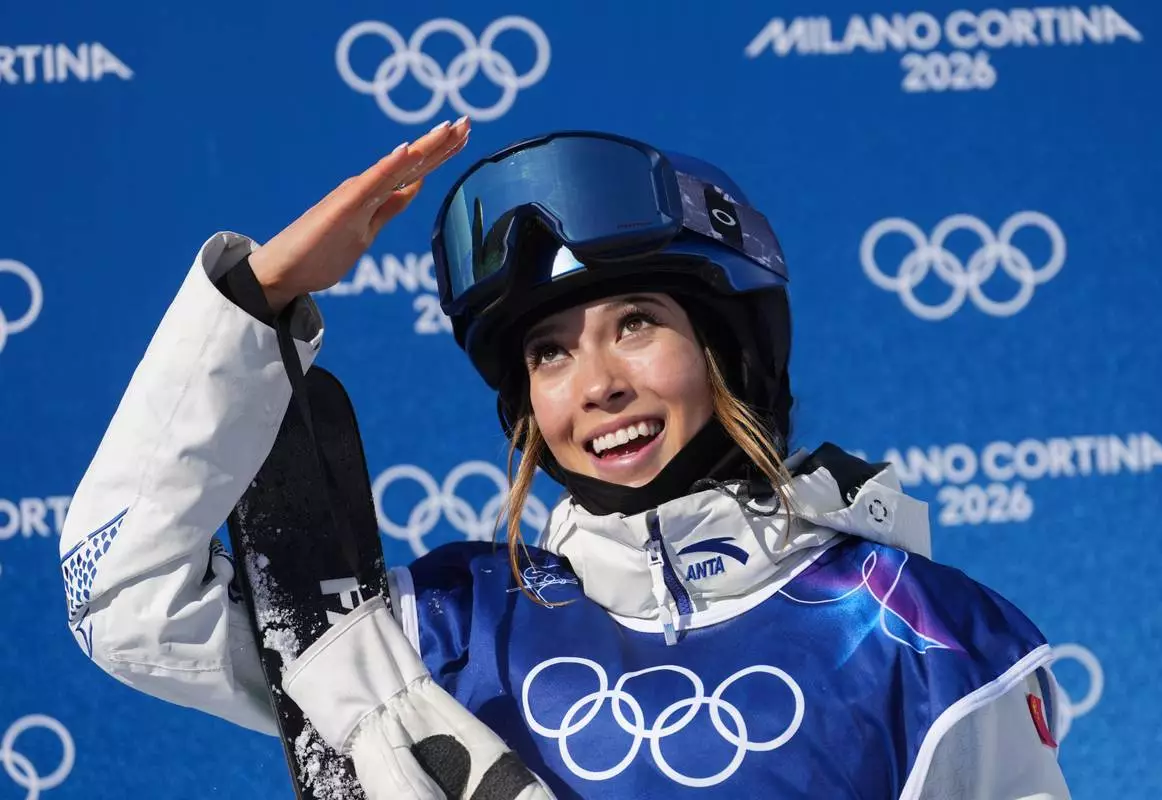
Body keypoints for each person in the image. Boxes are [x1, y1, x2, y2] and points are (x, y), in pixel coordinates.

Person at [59, 118, 1072, 799]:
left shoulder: (924, 635)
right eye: (549, 350)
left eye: (636, 323)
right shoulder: (444, 631)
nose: (594, 383)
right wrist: (256, 304)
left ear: (729, 347)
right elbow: (126, 592)